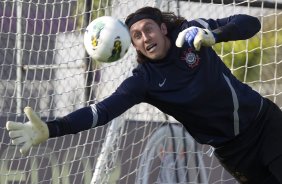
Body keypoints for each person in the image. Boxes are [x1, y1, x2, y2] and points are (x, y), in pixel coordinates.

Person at [6, 6, 282, 183]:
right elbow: (99, 113)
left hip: (264, 124)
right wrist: (51, 129)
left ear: (162, 28)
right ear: (132, 45)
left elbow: (249, 23)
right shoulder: (143, 82)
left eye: (148, 29)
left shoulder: (190, 33)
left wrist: (215, 34)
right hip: (232, 152)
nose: (145, 37)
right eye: (136, 35)